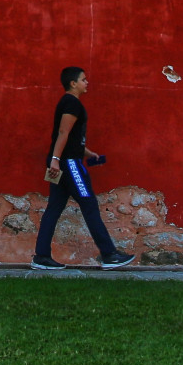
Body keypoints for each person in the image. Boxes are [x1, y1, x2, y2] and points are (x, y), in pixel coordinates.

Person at [32, 66, 136, 270]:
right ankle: (109, 255)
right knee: (89, 206)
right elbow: (63, 132)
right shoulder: (72, 103)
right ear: (73, 83)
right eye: (83, 80)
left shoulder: (69, 103)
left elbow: (71, 137)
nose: (87, 83)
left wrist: (88, 154)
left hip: (64, 161)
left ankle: (41, 257)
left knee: (54, 208)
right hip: (69, 164)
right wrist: (55, 159)